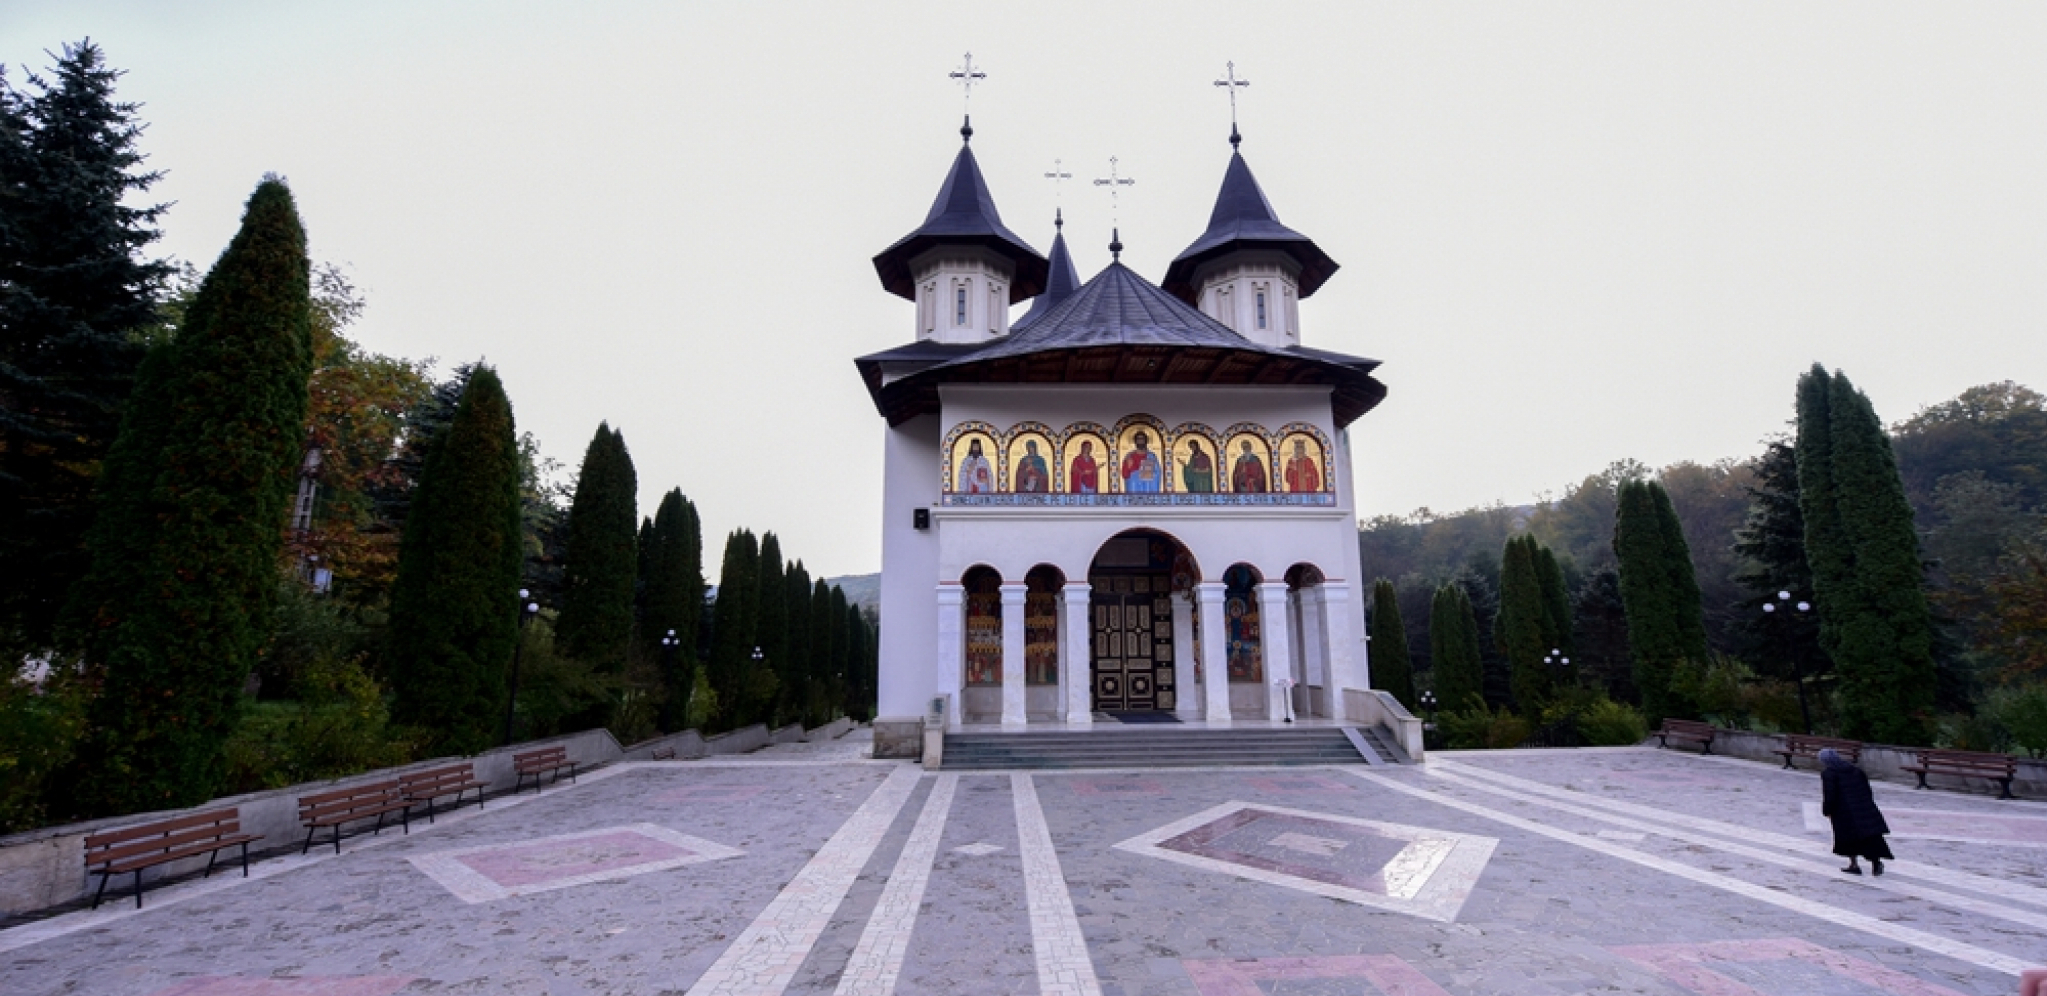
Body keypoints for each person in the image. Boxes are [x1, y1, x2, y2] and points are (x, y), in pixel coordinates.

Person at [1820, 748, 1892, 876]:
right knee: (1870, 837)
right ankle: (1876, 863)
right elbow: (1867, 789)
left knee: (1848, 838)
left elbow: (1830, 795)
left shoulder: (1829, 773)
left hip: (1843, 811)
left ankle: (1854, 864)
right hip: (1863, 807)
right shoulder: (1855, 770)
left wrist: (1827, 811)